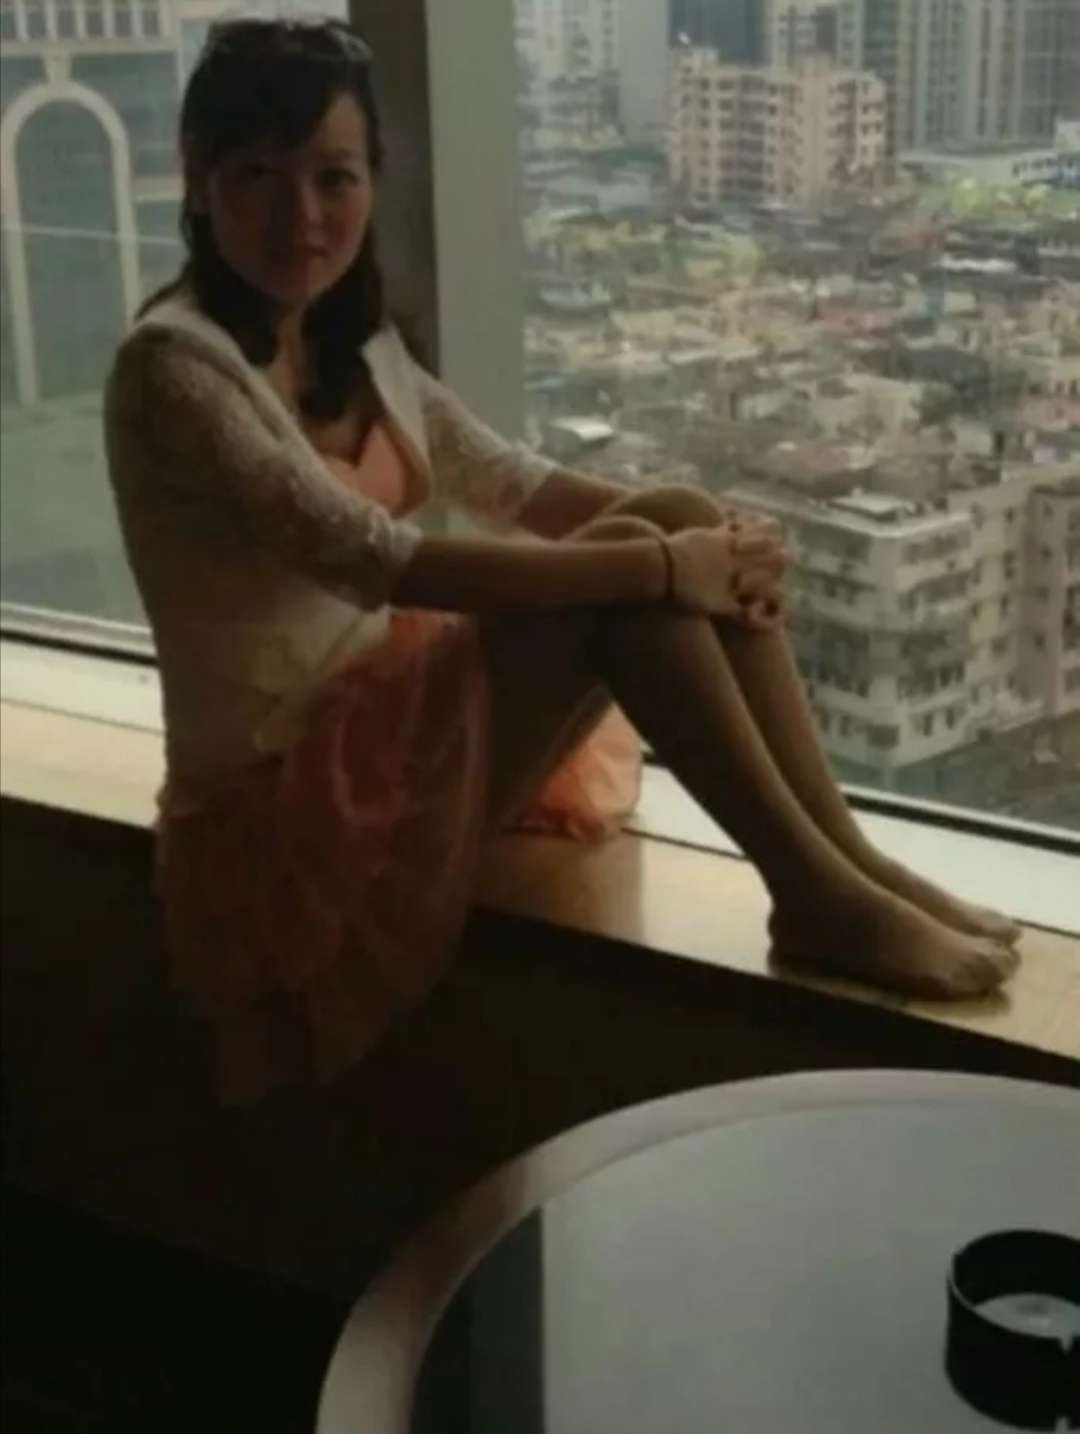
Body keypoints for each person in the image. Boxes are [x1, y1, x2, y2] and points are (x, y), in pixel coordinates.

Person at [105, 18, 1020, 1102]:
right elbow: (386, 561)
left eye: (332, 177)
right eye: (257, 176)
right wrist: (669, 568)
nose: (301, 215)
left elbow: (516, 482)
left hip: (380, 730)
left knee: (670, 513)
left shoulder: (349, 340)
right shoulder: (175, 371)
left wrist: (717, 538)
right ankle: (816, 896)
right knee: (635, 568)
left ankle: (849, 862)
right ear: (198, 178)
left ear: (373, 180)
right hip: (282, 813)